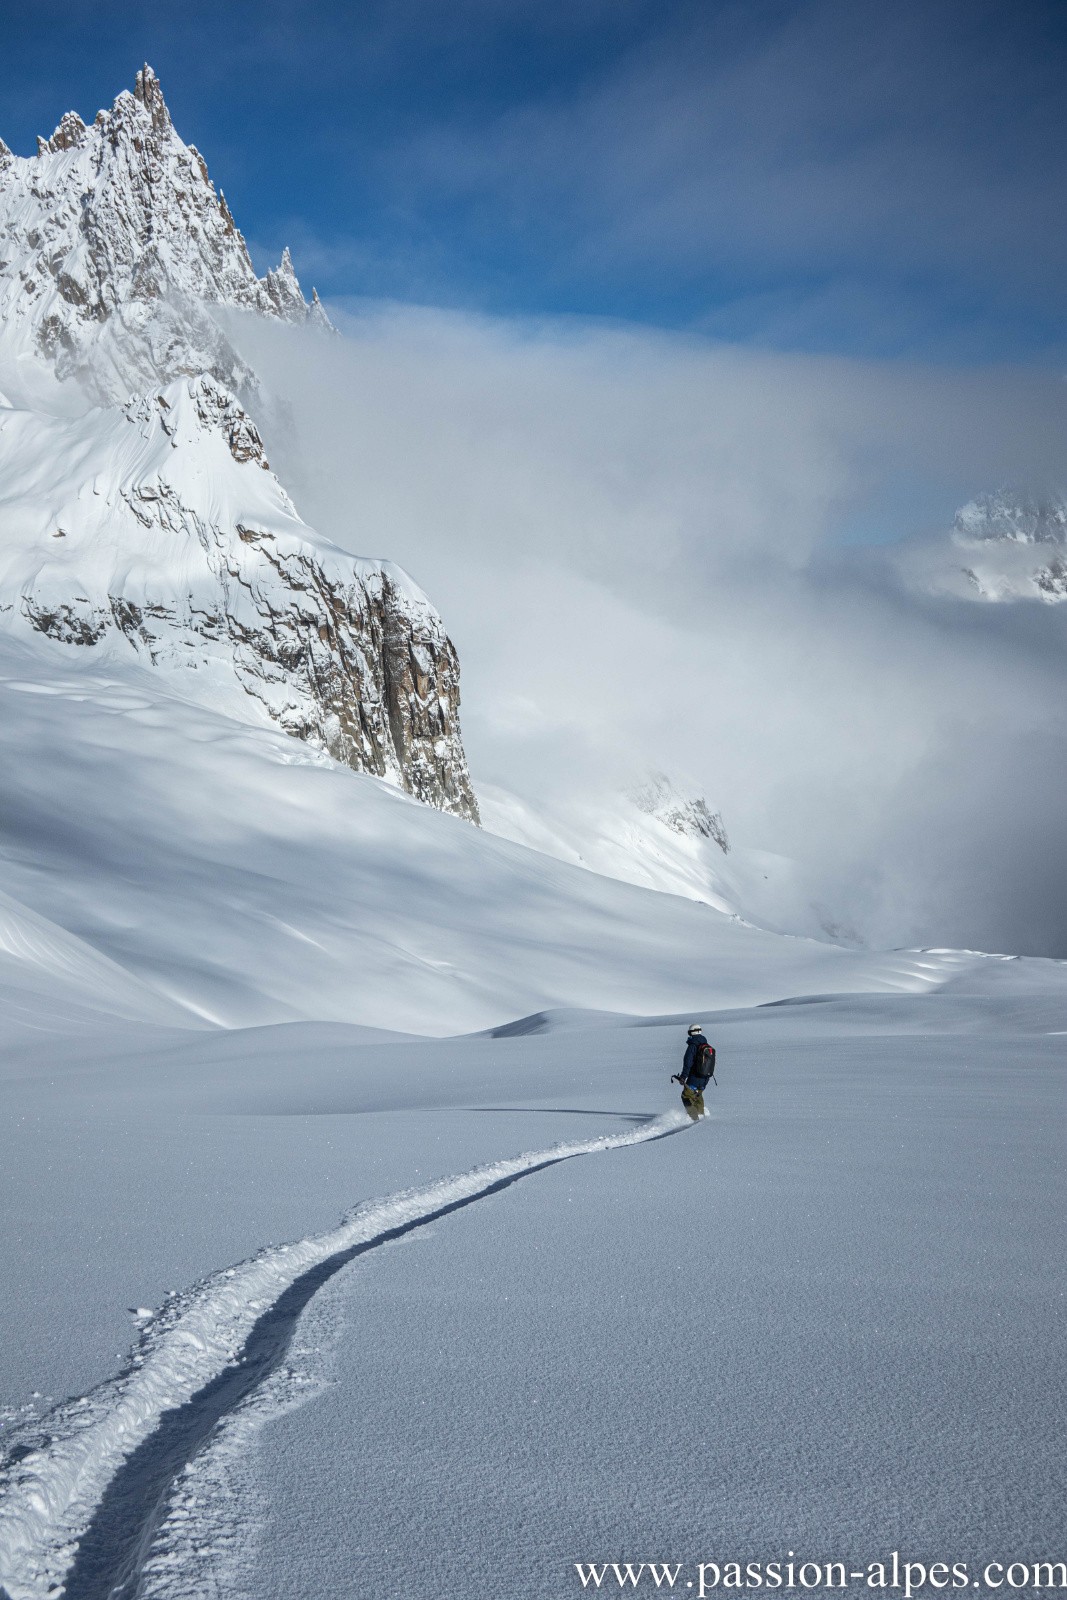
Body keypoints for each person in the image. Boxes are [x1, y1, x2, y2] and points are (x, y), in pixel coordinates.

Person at [674, 1023, 715, 1118]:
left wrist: (683, 1077)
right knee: (697, 1096)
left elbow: (687, 1063)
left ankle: (693, 1118)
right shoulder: (706, 1045)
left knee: (686, 1096)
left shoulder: (693, 1046)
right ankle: (701, 1117)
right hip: (705, 1078)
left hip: (694, 1077)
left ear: (691, 1033)